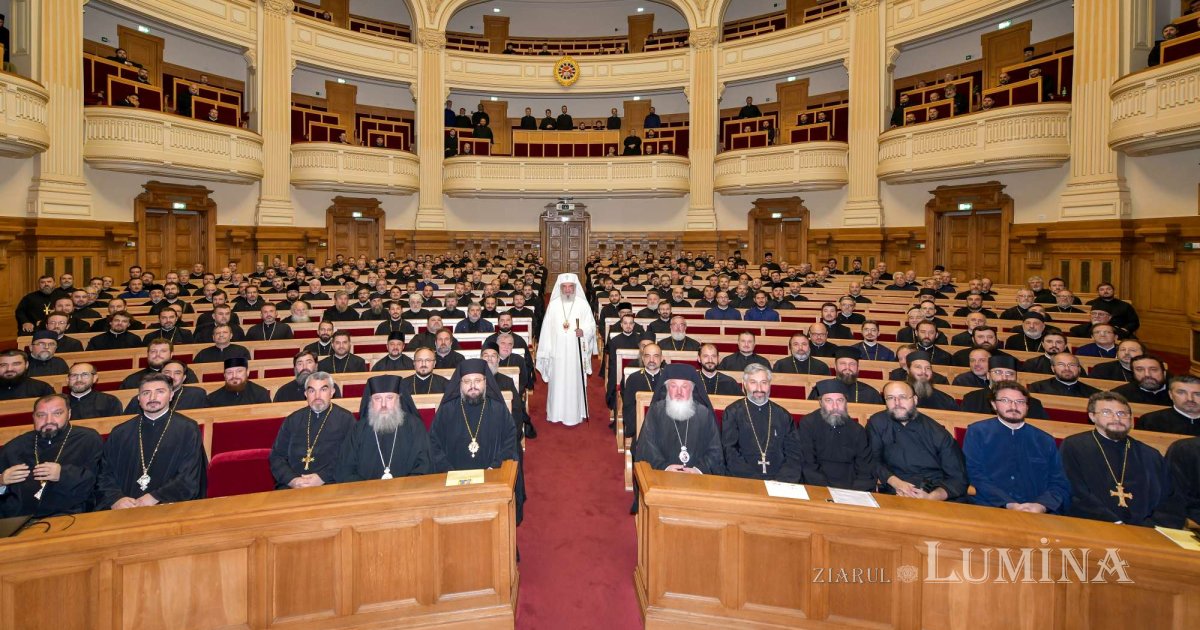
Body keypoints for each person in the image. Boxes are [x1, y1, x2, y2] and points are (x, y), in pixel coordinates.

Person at [1060, 392, 1185, 527]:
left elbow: (1170, 500)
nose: (1116, 418)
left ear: (1131, 419)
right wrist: (1115, 523)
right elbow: (1074, 491)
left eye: (1122, 414)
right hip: (1092, 526)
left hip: (1145, 533)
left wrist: (1147, 528)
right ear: (1092, 416)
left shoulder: (1150, 455)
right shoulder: (1074, 446)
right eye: (1107, 412)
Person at [95, 374, 207, 510]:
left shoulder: (188, 429)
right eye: (146, 393)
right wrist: (116, 498)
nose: (152, 398)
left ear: (171, 395)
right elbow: (105, 473)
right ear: (138, 398)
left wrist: (156, 497)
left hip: (169, 507)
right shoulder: (120, 432)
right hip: (125, 508)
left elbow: (189, 476)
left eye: (160, 392)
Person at [963, 381, 1071, 514]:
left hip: (1036, 511)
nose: (1013, 406)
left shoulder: (1044, 440)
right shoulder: (977, 432)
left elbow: (1058, 481)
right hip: (989, 506)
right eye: (1006, 400)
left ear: (1027, 406)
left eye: (1020, 401)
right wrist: (1008, 504)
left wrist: (1041, 505)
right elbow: (974, 474)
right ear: (994, 404)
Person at [0, 394, 102, 518]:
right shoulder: (14, 447)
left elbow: (99, 481)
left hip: (71, 517)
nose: (48, 421)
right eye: (41, 415)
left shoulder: (88, 439)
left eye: (57, 413)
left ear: (69, 414)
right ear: (33, 417)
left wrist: (63, 474)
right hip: (21, 521)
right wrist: (1, 481)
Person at [867, 381, 968, 501]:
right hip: (893, 490)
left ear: (915, 400)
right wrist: (896, 483)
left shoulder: (936, 432)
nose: (897, 403)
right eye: (890, 398)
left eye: (903, 397)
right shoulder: (877, 423)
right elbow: (872, 459)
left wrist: (932, 497)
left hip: (932, 492)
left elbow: (958, 478)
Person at [335, 375, 431, 482]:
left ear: (399, 399)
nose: (383, 404)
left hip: (407, 493)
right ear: (370, 401)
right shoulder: (359, 429)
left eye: (389, 398)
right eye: (377, 399)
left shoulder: (415, 426)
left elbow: (424, 465)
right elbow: (346, 469)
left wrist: (404, 489)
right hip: (367, 495)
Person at [428, 359, 520, 472]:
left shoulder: (498, 409)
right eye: (467, 381)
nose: (473, 386)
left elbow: (510, 440)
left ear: (485, 382)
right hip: (453, 478)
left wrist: (494, 467)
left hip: (492, 475)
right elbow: (433, 442)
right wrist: (448, 470)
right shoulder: (447, 410)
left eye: (477, 380)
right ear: (460, 383)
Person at [781, 381, 875, 490]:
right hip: (817, 486)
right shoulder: (808, 424)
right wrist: (825, 490)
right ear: (821, 402)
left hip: (850, 488)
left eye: (840, 400)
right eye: (828, 400)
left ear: (846, 402)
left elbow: (865, 468)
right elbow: (808, 463)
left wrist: (855, 492)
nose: (835, 406)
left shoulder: (857, 430)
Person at [633, 364, 724, 475]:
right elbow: (647, 446)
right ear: (667, 388)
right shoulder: (656, 411)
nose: (679, 392)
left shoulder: (704, 414)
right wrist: (665, 467)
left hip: (698, 479)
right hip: (662, 477)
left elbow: (714, 450)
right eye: (673, 386)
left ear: (692, 389)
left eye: (684, 387)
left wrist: (698, 470)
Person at [269, 371, 355, 488]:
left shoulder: (346, 419)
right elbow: (277, 456)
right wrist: (292, 480)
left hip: (331, 483)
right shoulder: (292, 420)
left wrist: (323, 477)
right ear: (306, 394)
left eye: (323, 390)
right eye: (312, 391)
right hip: (293, 486)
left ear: (332, 392)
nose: (317, 396)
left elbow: (351, 456)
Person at [536, 273, 597, 426]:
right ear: (560, 288)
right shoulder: (554, 305)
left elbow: (591, 325)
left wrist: (583, 331)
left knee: (574, 382)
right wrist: (547, 351)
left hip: (576, 353)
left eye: (571, 287)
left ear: (575, 288)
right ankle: (555, 414)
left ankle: (576, 414)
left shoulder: (582, 304)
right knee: (557, 383)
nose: (568, 290)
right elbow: (546, 331)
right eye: (565, 287)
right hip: (557, 352)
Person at [721, 364, 794, 480]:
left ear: (770, 385)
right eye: (753, 382)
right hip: (743, 479)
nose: (759, 388)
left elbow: (793, 453)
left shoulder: (783, 415)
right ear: (744, 385)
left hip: (780, 480)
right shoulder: (732, 412)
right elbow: (730, 451)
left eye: (764, 382)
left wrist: (781, 480)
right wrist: (754, 480)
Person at [808, 347, 883, 404]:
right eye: (843, 364)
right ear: (835, 367)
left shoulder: (871, 393)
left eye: (852, 364)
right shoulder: (820, 390)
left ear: (858, 368)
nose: (847, 367)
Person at [622, 343, 663, 439]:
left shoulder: (670, 379)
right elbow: (628, 408)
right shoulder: (633, 379)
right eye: (647, 356)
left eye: (655, 356)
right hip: (642, 431)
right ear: (643, 359)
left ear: (661, 358)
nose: (651, 360)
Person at [1029, 352, 1100, 398]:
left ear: (1079, 369)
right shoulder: (1037, 388)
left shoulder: (1094, 394)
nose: (1067, 368)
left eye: (1072, 365)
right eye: (1061, 365)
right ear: (1053, 368)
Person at [205, 357, 271, 407]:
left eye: (239, 371)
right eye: (229, 372)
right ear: (224, 375)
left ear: (247, 373)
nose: (234, 376)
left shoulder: (261, 394)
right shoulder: (213, 399)